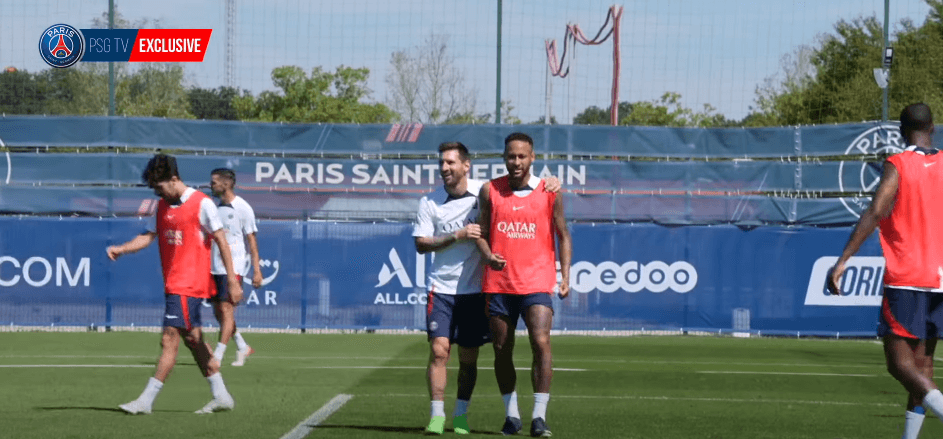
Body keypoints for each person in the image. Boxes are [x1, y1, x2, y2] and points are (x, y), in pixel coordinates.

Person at [416, 141, 562, 435]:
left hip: (475, 290)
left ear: (465, 166)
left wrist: (552, 181)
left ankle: (460, 416)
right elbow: (421, 244)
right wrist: (457, 235)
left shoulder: (486, 192)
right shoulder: (429, 202)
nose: (444, 168)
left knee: (470, 359)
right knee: (439, 350)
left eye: (450, 163)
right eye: (441, 163)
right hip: (442, 288)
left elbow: (522, 184)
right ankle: (436, 415)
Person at [828, 103, 943, 439]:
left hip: (909, 276)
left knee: (899, 365)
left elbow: (876, 211)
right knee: (922, 367)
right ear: (932, 127)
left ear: (899, 131)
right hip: (940, 278)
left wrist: (844, 259)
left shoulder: (898, 164)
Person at [107, 153, 241, 415]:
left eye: (159, 187)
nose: (158, 192)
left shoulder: (202, 204)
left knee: (169, 339)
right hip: (174, 284)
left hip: (188, 284)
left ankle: (146, 401)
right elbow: (147, 237)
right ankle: (221, 394)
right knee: (193, 339)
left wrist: (233, 281)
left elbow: (222, 242)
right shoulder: (162, 207)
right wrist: (122, 249)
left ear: (174, 179)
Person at [476, 132, 571, 438]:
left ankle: (539, 417)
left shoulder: (549, 191)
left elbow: (563, 234)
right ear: (504, 157)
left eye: (522, 156)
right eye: (511, 156)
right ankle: (512, 415)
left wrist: (565, 276)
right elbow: (480, 231)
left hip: (537, 282)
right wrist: (489, 256)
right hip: (499, 283)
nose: (516, 162)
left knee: (541, 342)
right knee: (502, 350)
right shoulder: (489, 190)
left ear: (533, 158)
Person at [208, 168, 263, 367]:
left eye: (214, 182)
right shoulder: (214, 207)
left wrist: (257, 271)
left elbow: (252, 241)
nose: (211, 185)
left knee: (226, 309)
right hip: (213, 267)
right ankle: (242, 345)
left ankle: (218, 356)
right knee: (218, 312)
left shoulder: (242, 207)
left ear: (226, 184)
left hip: (234, 268)